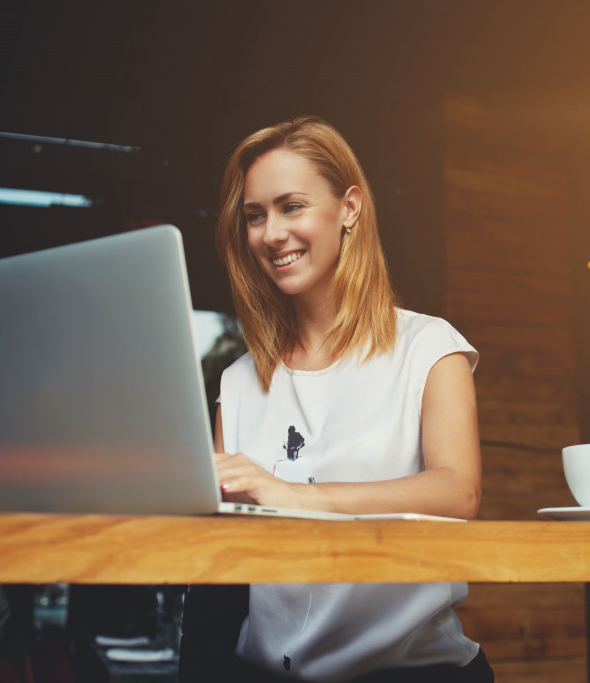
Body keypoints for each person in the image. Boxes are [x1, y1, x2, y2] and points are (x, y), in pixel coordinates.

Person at [198, 116, 492, 682]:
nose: (271, 233)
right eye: (255, 216)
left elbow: (459, 492)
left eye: (291, 206)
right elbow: (218, 550)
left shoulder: (429, 347)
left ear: (349, 208)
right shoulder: (236, 383)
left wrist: (289, 496)